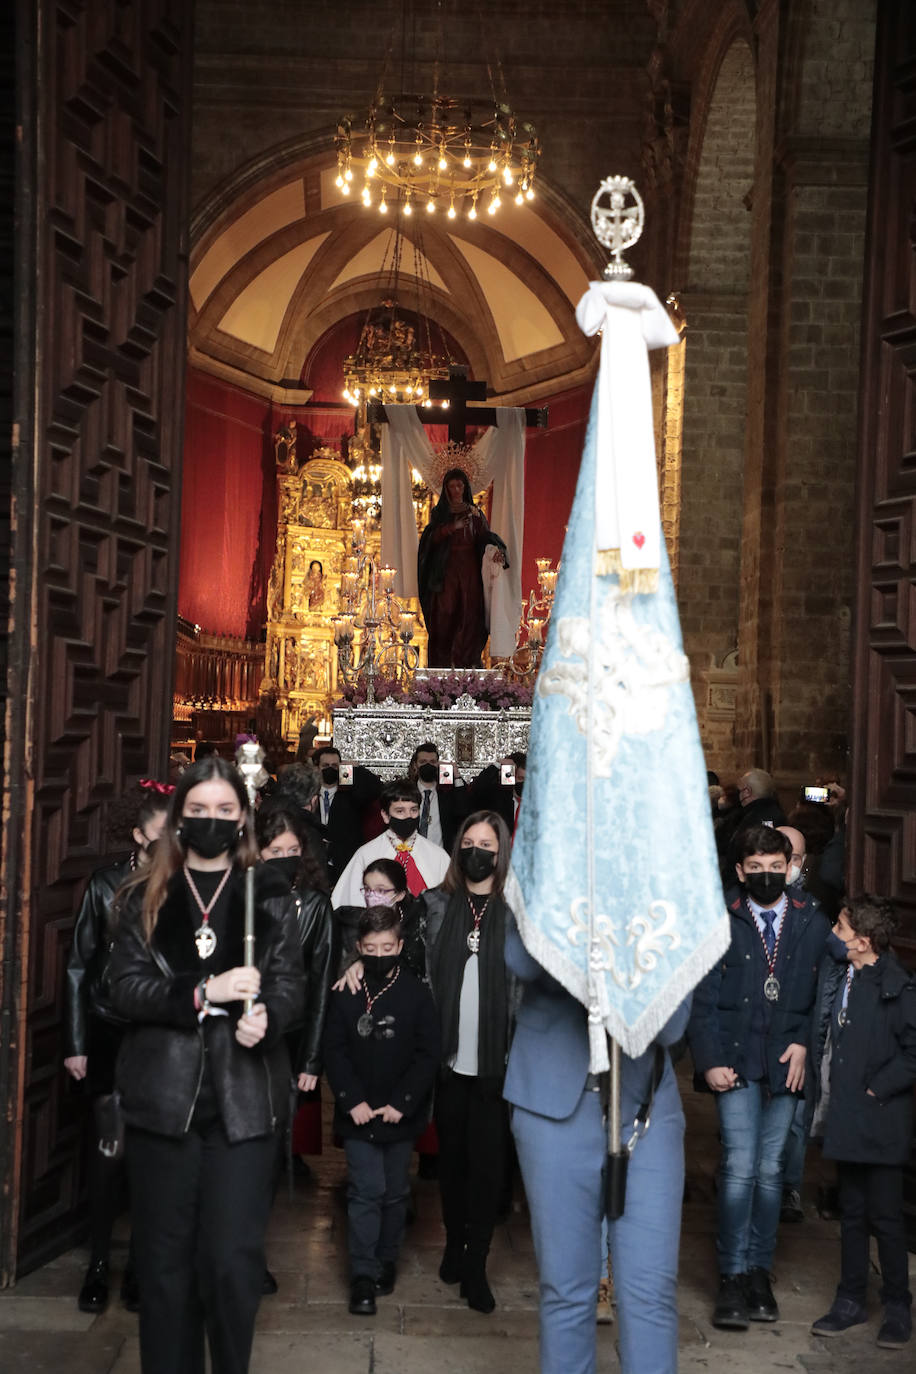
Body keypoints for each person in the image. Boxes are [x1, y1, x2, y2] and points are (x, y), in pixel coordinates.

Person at [108, 757, 304, 1374]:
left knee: (229, 1263)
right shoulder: (145, 895)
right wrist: (200, 993)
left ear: (242, 817)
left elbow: (292, 984)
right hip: (163, 1103)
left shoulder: (268, 894)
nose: (212, 821)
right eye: (199, 811)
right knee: (166, 1270)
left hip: (243, 1105)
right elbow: (123, 988)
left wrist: (269, 1014)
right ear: (179, 819)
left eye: (225, 811)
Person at [504, 918, 690, 1374]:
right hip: (554, 1097)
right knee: (567, 1291)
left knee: (650, 1294)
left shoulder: (672, 863)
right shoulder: (550, 848)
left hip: (645, 1108)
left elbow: (673, 1024)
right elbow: (520, 955)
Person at [687, 823, 829, 1331]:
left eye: (776, 868)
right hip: (736, 1059)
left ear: (789, 868)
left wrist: (806, 1045)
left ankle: (759, 1272)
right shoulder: (718, 918)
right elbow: (700, 995)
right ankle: (730, 1274)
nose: (767, 876)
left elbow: (834, 989)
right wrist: (708, 1059)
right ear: (739, 871)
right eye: (757, 869)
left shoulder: (812, 920)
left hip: (786, 1065)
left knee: (771, 1172)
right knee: (740, 1166)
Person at [63, 781, 171, 1313]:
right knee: (108, 1154)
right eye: (160, 835)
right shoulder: (105, 885)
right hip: (109, 1032)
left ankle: (142, 1269)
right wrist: (77, 1043)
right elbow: (79, 966)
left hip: (161, 1037)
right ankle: (100, 1263)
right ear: (138, 836)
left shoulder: (189, 885)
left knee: (152, 1159)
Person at [322, 905, 440, 1316]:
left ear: (400, 946)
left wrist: (402, 1103)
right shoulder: (346, 991)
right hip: (357, 1114)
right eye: (370, 948)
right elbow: (333, 1050)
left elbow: (428, 1055)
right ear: (359, 948)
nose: (378, 954)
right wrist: (351, 1100)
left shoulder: (416, 994)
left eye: (387, 947)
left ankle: (387, 1260)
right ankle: (362, 1274)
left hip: (397, 1114)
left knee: (395, 1194)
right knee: (365, 1192)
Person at [810, 897, 916, 1349]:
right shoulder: (842, 975)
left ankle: (897, 1306)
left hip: (882, 1120)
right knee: (851, 1213)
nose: (833, 932)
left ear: (863, 941)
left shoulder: (899, 988)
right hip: (848, 1117)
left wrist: (877, 1087)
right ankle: (850, 1298)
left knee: (887, 1218)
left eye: (840, 926)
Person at [421, 810, 515, 1314]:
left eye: (488, 844)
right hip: (449, 1060)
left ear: (501, 853)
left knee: (487, 1169)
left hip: (498, 1063)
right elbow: (408, 964)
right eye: (470, 842)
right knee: (451, 1165)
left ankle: (477, 1264)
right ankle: (453, 1245)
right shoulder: (436, 905)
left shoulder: (518, 910)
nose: (477, 851)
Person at [417, 467, 508, 668]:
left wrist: (497, 551)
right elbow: (429, 540)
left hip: (469, 569)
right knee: (445, 613)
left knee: (470, 612)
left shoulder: (475, 513)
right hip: (447, 571)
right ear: (446, 489)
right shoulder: (440, 513)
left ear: (465, 487)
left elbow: (485, 538)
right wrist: (451, 528)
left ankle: (467, 663)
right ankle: (443, 665)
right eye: (452, 486)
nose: (456, 489)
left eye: (460, 485)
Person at [332, 781, 450, 908]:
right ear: (385, 815)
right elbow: (349, 903)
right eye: (400, 811)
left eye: (414, 810)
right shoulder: (366, 854)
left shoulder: (437, 855)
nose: (408, 816)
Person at [333, 857, 426, 980]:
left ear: (400, 895)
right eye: (367, 889)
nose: (371, 895)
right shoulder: (349, 924)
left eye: (381, 890)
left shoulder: (416, 924)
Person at [314, 745, 381, 883]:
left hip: (345, 861)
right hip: (316, 862)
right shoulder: (309, 793)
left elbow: (376, 789)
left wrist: (356, 770)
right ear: (317, 768)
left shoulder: (350, 794)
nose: (330, 769)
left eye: (334, 765)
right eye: (325, 765)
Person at [408, 740, 467, 851]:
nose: (428, 765)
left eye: (432, 762)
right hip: (411, 854)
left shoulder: (447, 794)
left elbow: (463, 811)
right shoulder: (407, 792)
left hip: (442, 856)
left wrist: (456, 776)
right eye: (423, 762)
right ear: (415, 765)